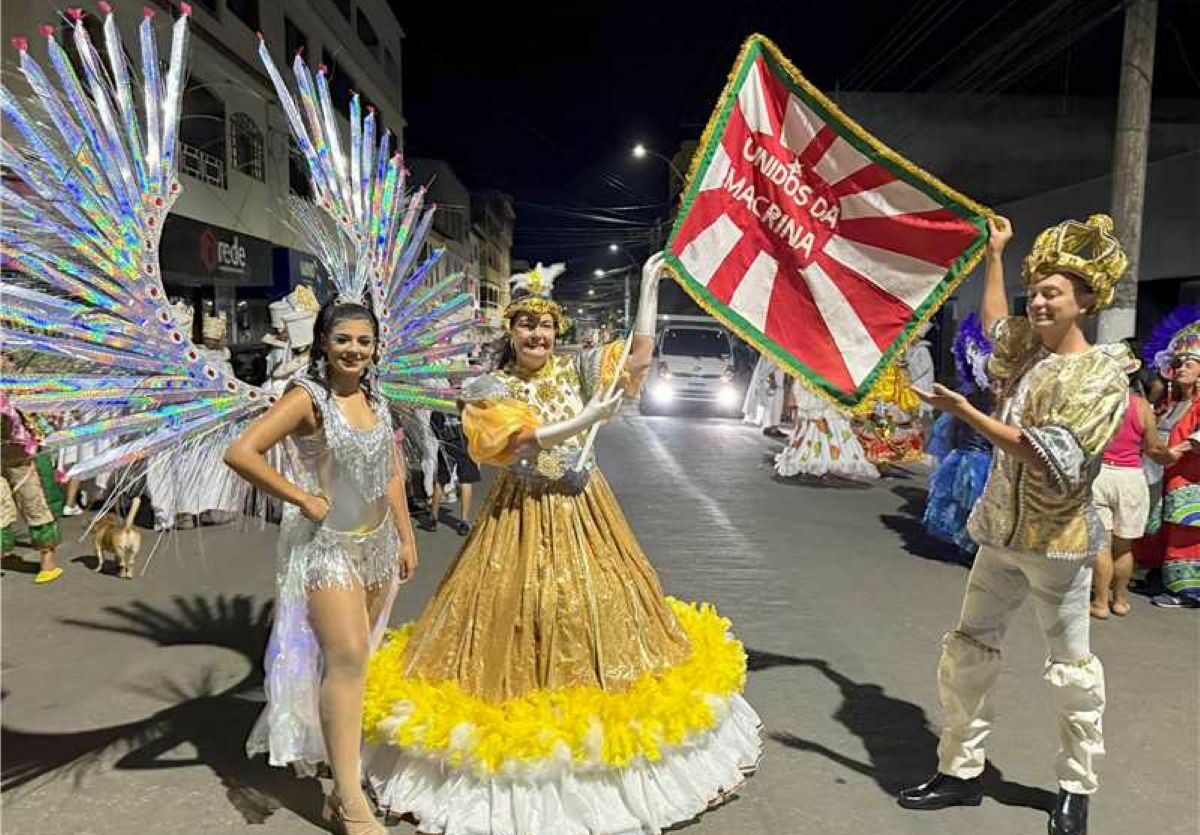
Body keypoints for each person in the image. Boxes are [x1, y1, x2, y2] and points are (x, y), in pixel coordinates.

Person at [361, 258, 761, 835]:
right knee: (515, 616)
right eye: (526, 327)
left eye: (545, 327)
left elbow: (639, 357)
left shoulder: (574, 372)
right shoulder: (488, 388)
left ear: (557, 332)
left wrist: (650, 287)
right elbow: (509, 443)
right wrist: (584, 422)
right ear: (511, 333)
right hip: (520, 515)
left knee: (595, 611)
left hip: (586, 510)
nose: (537, 336)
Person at [901, 214, 1130, 835]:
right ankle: (960, 771)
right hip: (1000, 533)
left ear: (1085, 300)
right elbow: (996, 323)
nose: (1041, 302)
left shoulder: (1102, 376)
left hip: (1058, 546)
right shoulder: (1029, 348)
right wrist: (996, 255)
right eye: (1039, 291)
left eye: (1054, 292)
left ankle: (1075, 790)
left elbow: (1051, 453)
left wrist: (968, 412)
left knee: (1071, 672)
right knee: (968, 650)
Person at [225, 301, 418, 835]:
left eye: (364, 341)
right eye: (344, 340)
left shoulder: (376, 395)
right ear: (324, 344)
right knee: (349, 657)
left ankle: (344, 775)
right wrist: (301, 498)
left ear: (376, 346)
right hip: (327, 547)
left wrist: (404, 533)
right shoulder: (306, 398)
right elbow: (242, 452)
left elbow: (392, 470)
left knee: (355, 664)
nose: (355, 350)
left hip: (376, 546)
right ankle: (348, 800)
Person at [1089, 342, 1173, 618]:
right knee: (1124, 546)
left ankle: (1100, 603)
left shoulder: (1095, 403)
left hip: (1101, 474)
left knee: (1101, 543)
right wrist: (1171, 456)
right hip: (1130, 477)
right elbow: (1153, 448)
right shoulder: (1141, 406)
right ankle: (1120, 600)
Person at [1135, 310, 1200, 608]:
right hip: (1163, 475)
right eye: (1178, 364)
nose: (1181, 369)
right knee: (1158, 527)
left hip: (1189, 478)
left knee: (1183, 532)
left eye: (1189, 364)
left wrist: (1179, 450)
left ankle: (1186, 591)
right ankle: (1158, 575)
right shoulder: (1173, 402)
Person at [922, 314, 995, 563]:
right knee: (966, 502)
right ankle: (966, 543)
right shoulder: (978, 397)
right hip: (973, 457)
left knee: (968, 501)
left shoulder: (979, 397)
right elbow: (954, 428)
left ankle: (967, 542)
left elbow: (955, 429)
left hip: (973, 456)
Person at [1, 391, 63, 585]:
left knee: (34, 502)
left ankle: (48, 562)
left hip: (23, 456)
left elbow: (42, 424)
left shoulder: (21, 389)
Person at [774, 377, 878, 480]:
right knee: (819, 421)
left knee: (831, 421)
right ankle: (820, 460)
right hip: (820, 385)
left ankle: (828, 461)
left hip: (829, 386)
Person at [428, 408, 479, 535]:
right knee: (466, 481)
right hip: (465, 445)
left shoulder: (442, 403)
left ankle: (433, 516)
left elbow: (433, 423)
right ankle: (464, 520)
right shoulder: (467, 404)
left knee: (441, 479)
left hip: (446, 445)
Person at [742, 352, 786, 435]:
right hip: (773, 383)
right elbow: (768, 368)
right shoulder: (772, 350)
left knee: (773, 406)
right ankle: (771, 428)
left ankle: (772, 427)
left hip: (775, 381)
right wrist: (771, 380)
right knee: (773, 406)